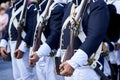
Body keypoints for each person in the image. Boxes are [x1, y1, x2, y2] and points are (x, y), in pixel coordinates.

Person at [56, 0, 110, 80]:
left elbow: (95, 36)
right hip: (68, 63)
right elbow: (65, 35)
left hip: (87, 68)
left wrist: (74, 62)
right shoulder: (71, 6)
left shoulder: (97, 4)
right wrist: (58, 59)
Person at [29, 0, 72, 80]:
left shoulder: (56, 8)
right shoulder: (40, 9)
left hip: (51, 56)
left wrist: (40, 53)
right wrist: (33, 53)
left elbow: (55, 34)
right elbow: (35, 33)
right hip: (39, 54)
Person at [0, 0, 37, 80]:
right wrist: (3, 44)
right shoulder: (12, 9)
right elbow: (7, 29)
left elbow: (31, 30)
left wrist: (22, 48)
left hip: (23, 46)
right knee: (17, 76)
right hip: (12, 44)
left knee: (26, 76)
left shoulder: (30, 7)